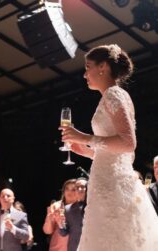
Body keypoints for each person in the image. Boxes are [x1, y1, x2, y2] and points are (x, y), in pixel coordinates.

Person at [60, 44, 158, 250]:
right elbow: (115, 151)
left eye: (88, 67)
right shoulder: (110, 97)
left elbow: (128, 143)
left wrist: (85, 136)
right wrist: (85, 150)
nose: (85, 74)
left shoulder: (114, 95)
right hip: (105, 179)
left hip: (112, 184)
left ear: (103, 67)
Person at [42, 179, 77, 251]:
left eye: (73, 189)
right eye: (67, 189)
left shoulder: (82, 208)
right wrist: (49, 219)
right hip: (58, 247)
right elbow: (47, 231)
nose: (69, 192)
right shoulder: (56, 206)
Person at [58, 178, 87, 251]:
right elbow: (64, 233)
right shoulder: (67, 209)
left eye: (83, 187)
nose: (80, 189)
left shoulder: (95, 207)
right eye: (77, 187)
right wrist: (61, 224)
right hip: (74, 247)